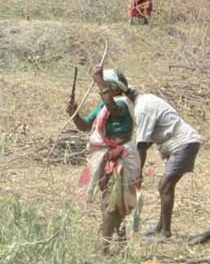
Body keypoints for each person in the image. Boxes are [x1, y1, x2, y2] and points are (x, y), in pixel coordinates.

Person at [67, 67, 141, 249]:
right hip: (107, 157)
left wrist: (99, 80)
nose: (101, 88)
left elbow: (113, 109)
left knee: (114, 201)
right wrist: (74, 113)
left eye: (105, 85)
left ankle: (105, 245)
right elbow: (85, 126)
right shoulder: (103, 106)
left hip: (122, 157)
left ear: (115, 87)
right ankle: (117, 241)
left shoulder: (123, 103)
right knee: (109, 200)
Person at [132, 92, 201, 240]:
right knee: (165, 187)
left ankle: (165, 231)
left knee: (165, 186)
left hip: (183, 143)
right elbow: (148, 139)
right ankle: (160, 227)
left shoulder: (141, 109)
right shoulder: (146, 101)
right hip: (183, 142)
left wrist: (138, 173)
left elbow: (142, 145)